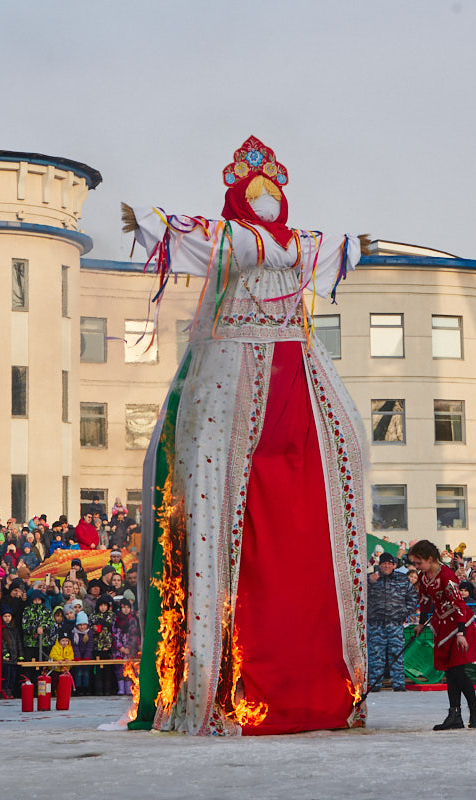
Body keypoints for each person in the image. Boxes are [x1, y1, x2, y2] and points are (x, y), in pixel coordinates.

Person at [126, 136, 370, 736]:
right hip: (235, 365)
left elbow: (332, 250)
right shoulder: (232, 238)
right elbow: (192, 237)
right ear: (241, 197)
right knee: (213, 467)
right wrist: (152, 225)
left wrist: (356, 249)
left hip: (293, 361)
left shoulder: (301, 243)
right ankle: (216, 681)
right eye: (254, 193)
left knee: (350, 438)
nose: (263, 202)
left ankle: (332, 673)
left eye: (270, 194)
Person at [408, 540, 476, 731]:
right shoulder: (424, 577)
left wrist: (461, 633)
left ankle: (474, 710)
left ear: (430, 559)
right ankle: (455, 714)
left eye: (418, 562)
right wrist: (421, 623)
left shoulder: (447, 576)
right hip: (442, 624)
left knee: (457, 670)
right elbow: (424, 600)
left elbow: (458, 604)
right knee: (449, 671)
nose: (416, 567)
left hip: (458, 624)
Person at [366, 553, 418, 693]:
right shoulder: (370, 579)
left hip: (395, 624)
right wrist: (369, 583)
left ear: (394, 565)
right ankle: (375, 684)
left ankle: (398, 684)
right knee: (376, 655)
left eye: (389, 563)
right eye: (384, 564)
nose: (387, 566)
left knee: (397, 655)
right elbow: (359, 597)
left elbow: (413, 596)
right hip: (376, 624)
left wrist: (404, 612)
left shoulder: (402, 579)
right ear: (380, 565)